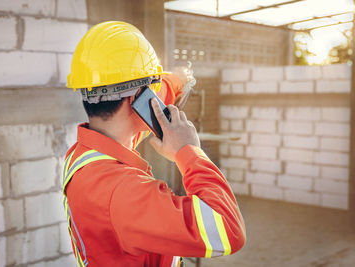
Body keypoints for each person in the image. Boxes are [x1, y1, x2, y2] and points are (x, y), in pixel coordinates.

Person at [62, 21, 246, 267]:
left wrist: (178, 78)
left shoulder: (85, 154)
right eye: (150, 88)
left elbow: (151, 96)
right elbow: (228, 228)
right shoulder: (124, 192)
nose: (155, 95)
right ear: (138, 98)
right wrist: (188, 151)